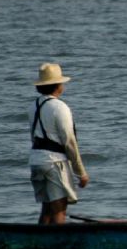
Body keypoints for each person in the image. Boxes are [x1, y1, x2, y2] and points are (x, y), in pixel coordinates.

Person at [28, 63, 89, 225]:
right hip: (54, 162)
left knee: (46, 208)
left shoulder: (33, 106)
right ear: (57, 86)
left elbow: (33, 136)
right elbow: (69, 141)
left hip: (36, 160)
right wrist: (80, 172)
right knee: (59, 208)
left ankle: (40, 245)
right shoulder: (60, 107)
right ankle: (59, 248)